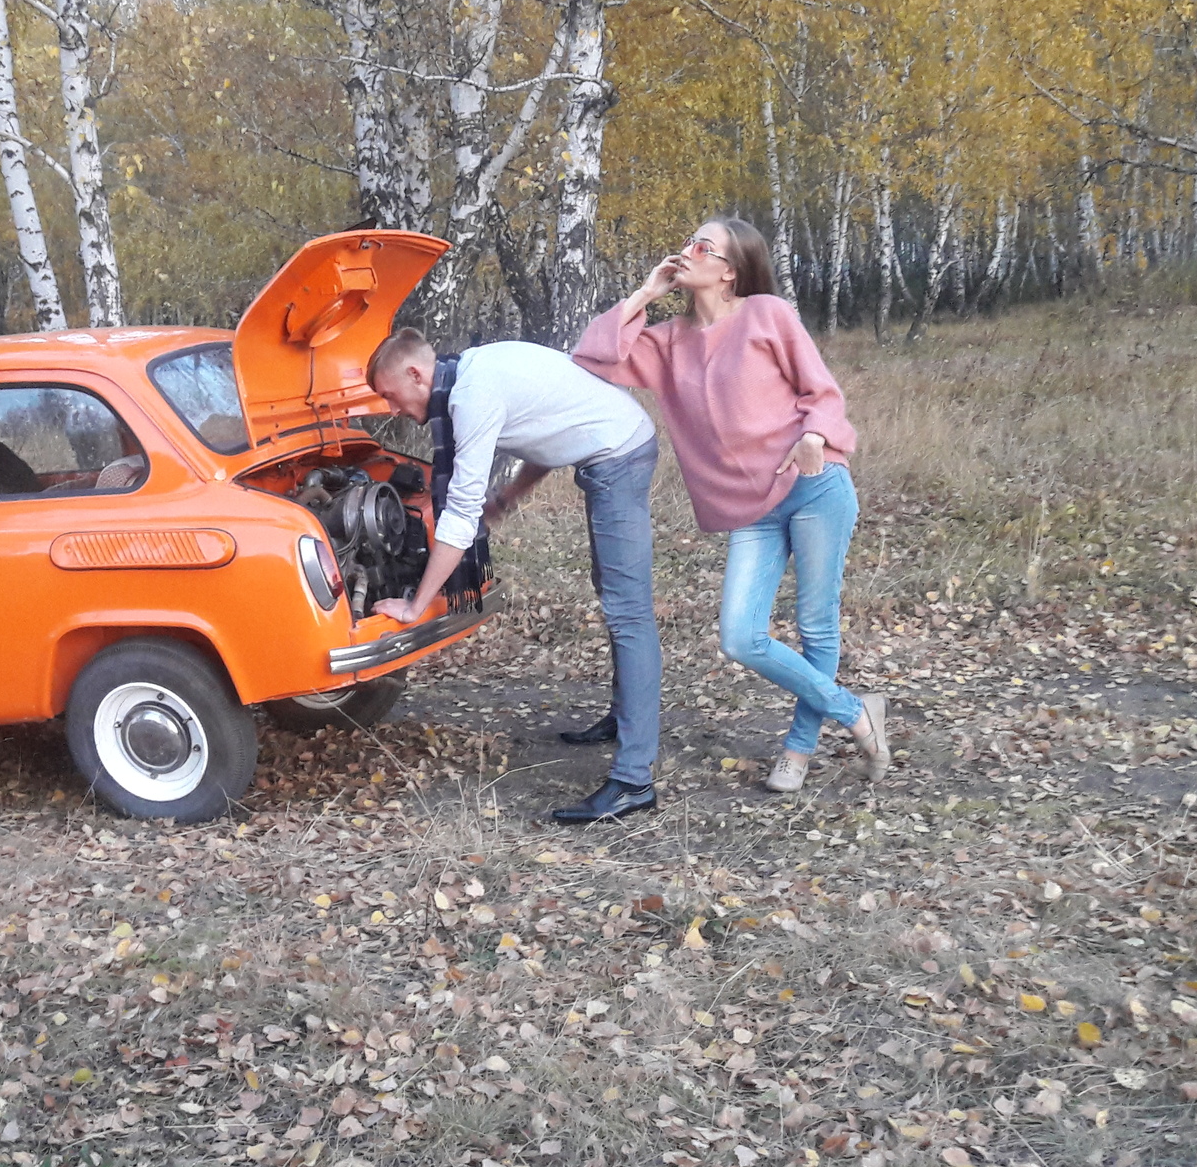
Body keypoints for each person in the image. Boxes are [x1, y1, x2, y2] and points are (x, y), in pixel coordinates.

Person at [573, 217, 893, 792]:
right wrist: (649, 292)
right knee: (739, 637)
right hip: (751, 509)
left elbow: (820, 391)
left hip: (814, 484)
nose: (687, 250)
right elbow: (592, 356)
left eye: (703, 245)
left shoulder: (767, 313)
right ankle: (854, 712)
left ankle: (798, 749)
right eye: (686, 239)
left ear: (730, 269)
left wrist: (816, 435)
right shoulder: (668, 341)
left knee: (815, 626)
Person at [366, 328, 664, 823]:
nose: (391, 408)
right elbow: (544, 434)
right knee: (614, 596)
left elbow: (459, 513)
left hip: (618, 455)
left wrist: (416, 605)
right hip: (615, 446)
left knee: (627, 611)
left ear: (416, 374)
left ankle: (634, 780)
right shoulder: (473, 370)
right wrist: (506, 499)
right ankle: (627, 718)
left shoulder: (471, 395)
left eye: (390, 395)